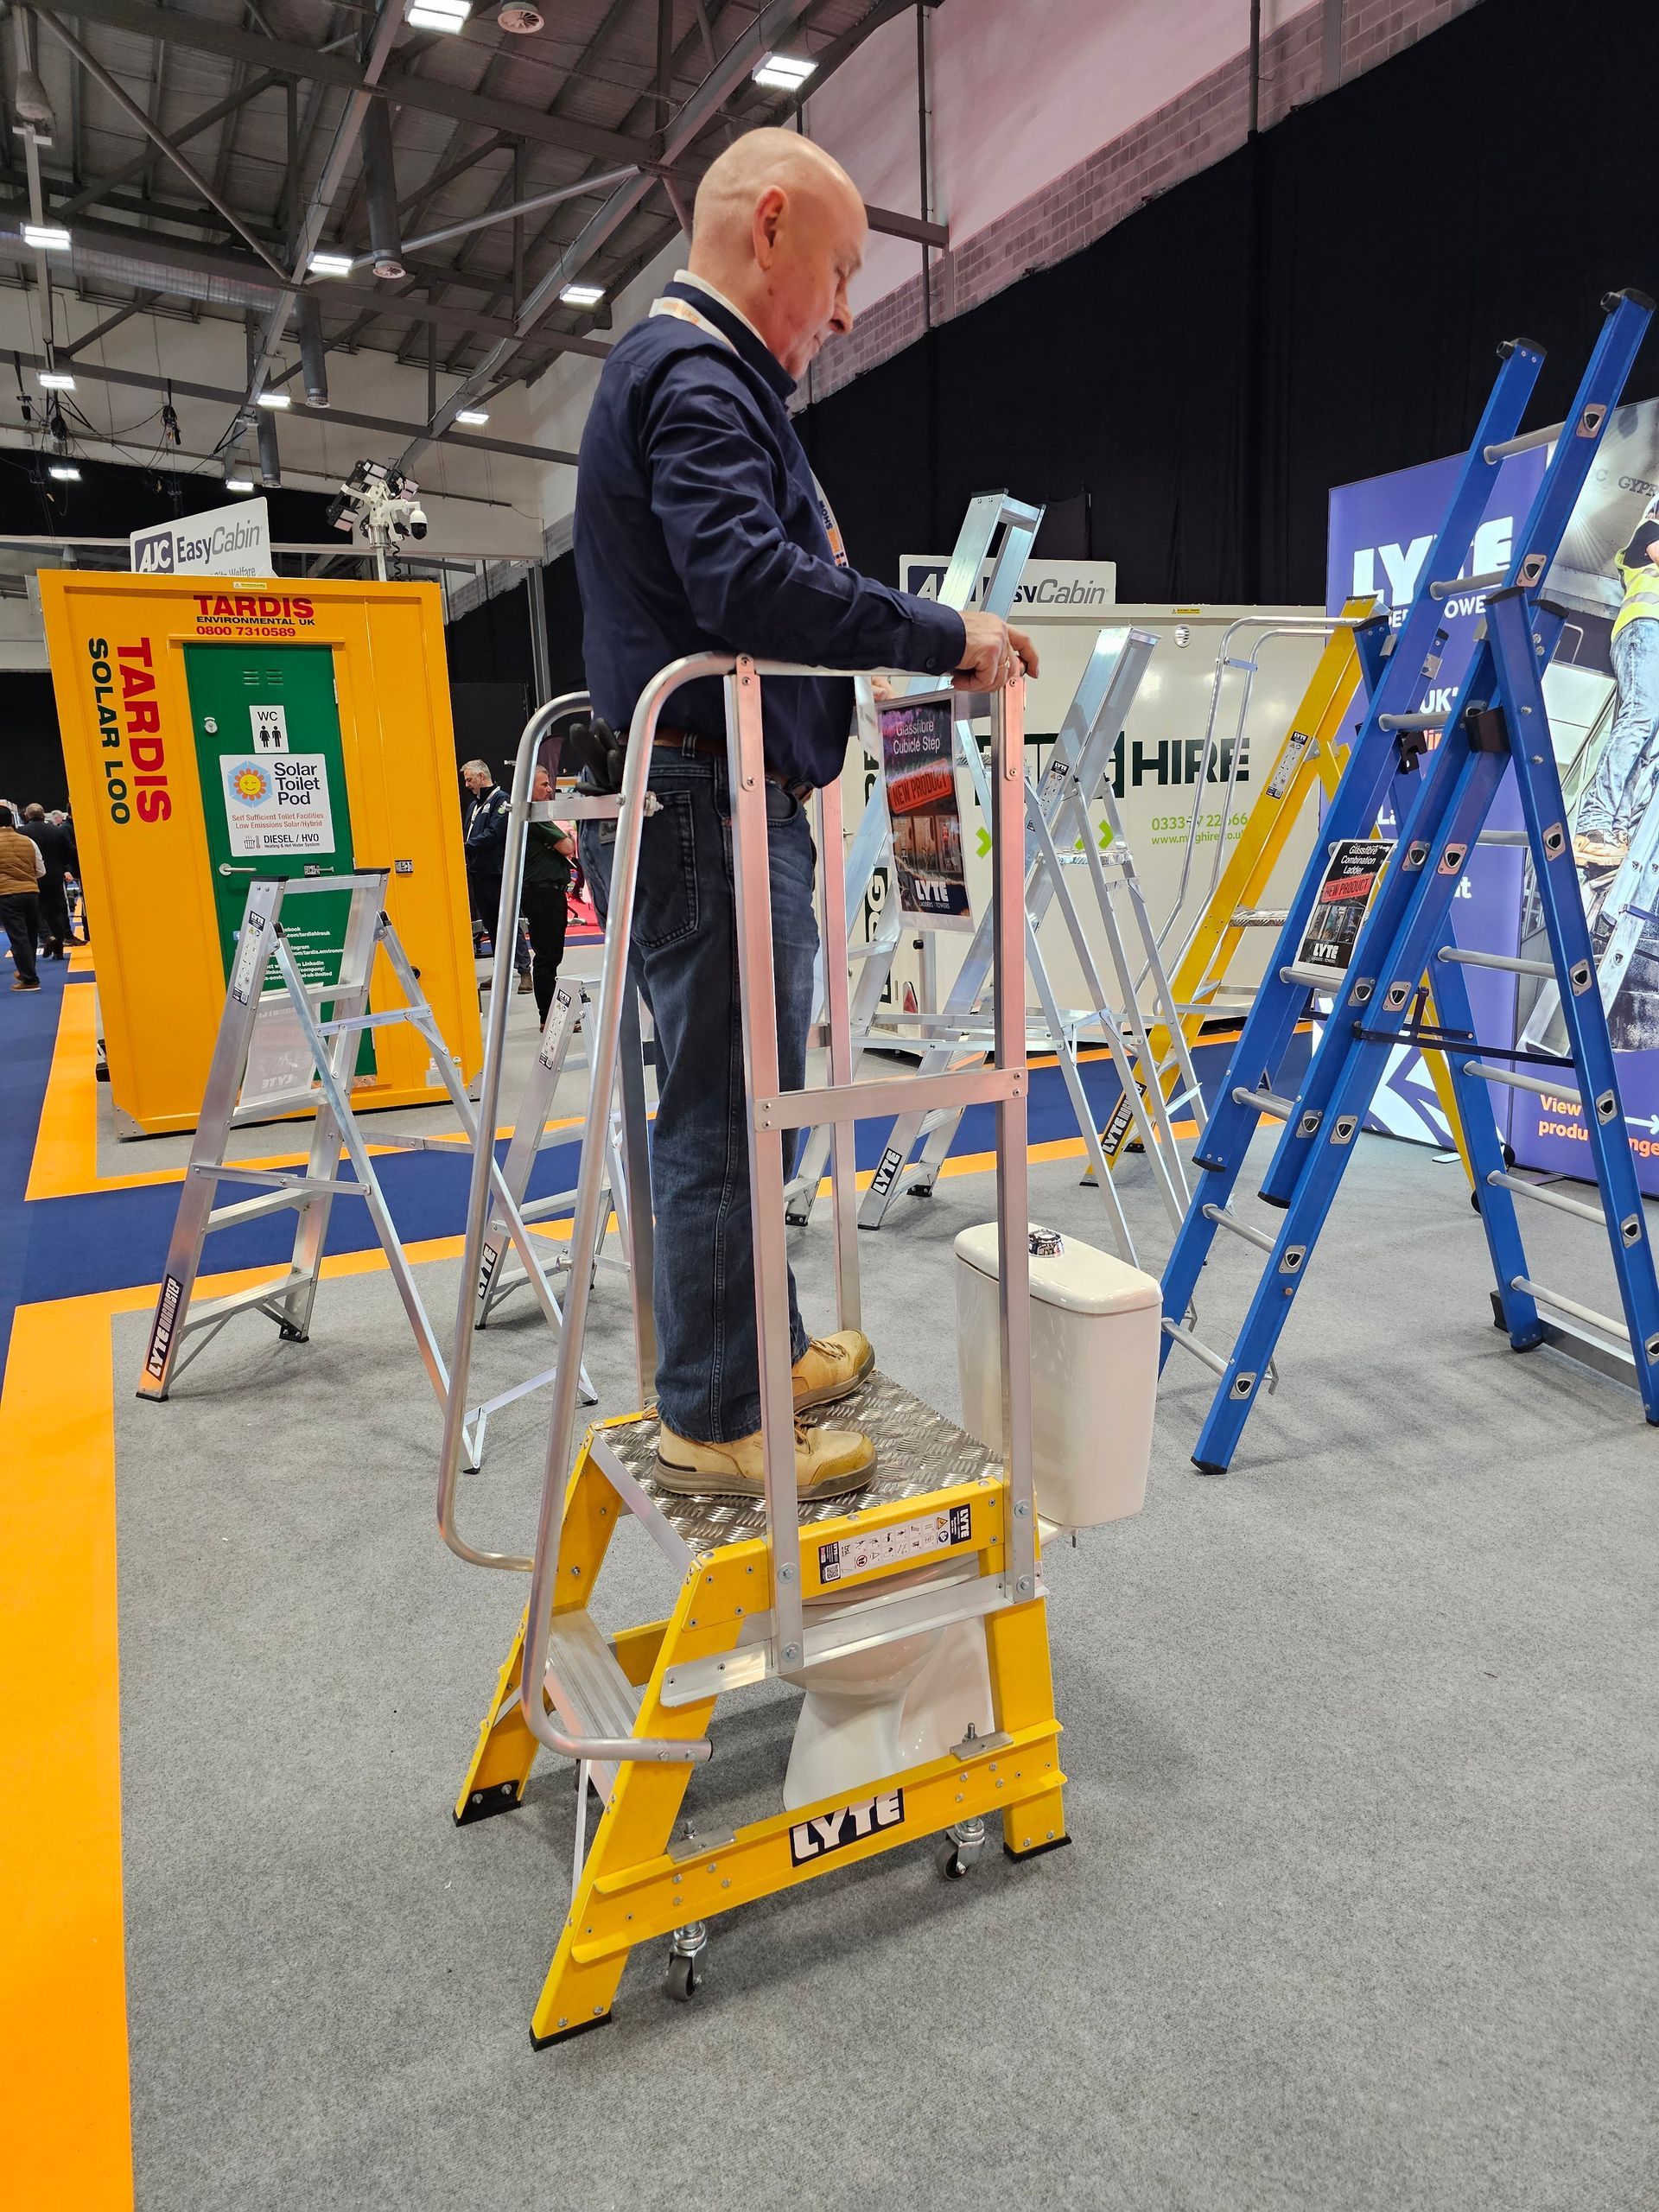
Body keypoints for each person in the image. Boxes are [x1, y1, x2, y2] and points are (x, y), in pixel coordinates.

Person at [574, 125, 1037, 1504]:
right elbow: (749, 585)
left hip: (718, 798)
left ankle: (752, 1355)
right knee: (728, 1110)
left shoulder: (695, 377)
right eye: (836, 273)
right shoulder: (696, 376)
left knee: (736, 1108)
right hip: (711, 802)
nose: (841, 312)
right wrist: (943, 630)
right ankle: (719, 1411)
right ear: (766, 227)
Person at [1576, 497, 1659, 868]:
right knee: (1640, 718)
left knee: (1649, 742)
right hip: (1645, 630)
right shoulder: (1650, 531)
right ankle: (1594, 822)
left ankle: (1617, 829)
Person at [461, 757, 532, 988]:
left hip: (497, 873)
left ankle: (525, 972)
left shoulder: (502, 800)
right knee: (491, 924)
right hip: (478, 873)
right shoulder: (474, 806)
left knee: (507, 922)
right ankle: (500, 973)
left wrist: (466, 846)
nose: (467, 785)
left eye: (469, 779)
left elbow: (495, 833)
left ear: (482, 777)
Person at [524, 765, 576, 1025]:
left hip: (546, 893)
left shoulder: (538, 816)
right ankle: (549, 1016)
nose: (549, 788)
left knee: (550, 956)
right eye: (543, 784)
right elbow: (568, 845)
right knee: (547, 958)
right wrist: (563, 836)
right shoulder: (535, 815)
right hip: (543, 895)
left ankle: (552, 1015)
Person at [0, 802, 44, 990]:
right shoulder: (28, 841)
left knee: (18, 936)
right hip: (31, 892)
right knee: (31, 934)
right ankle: (27, 970)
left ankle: (30, 979)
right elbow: (41, 870)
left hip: (8, 894)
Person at [22, 803, 73, 957]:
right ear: (44, 814)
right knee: (56, 911)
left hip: (34, 877)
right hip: (56, 876)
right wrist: (64, 869)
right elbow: (68, 852)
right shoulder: (56, 830)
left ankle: (47, 936)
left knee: (37, 910)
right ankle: (59, 946)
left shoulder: (22, 833)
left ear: (27, 815)